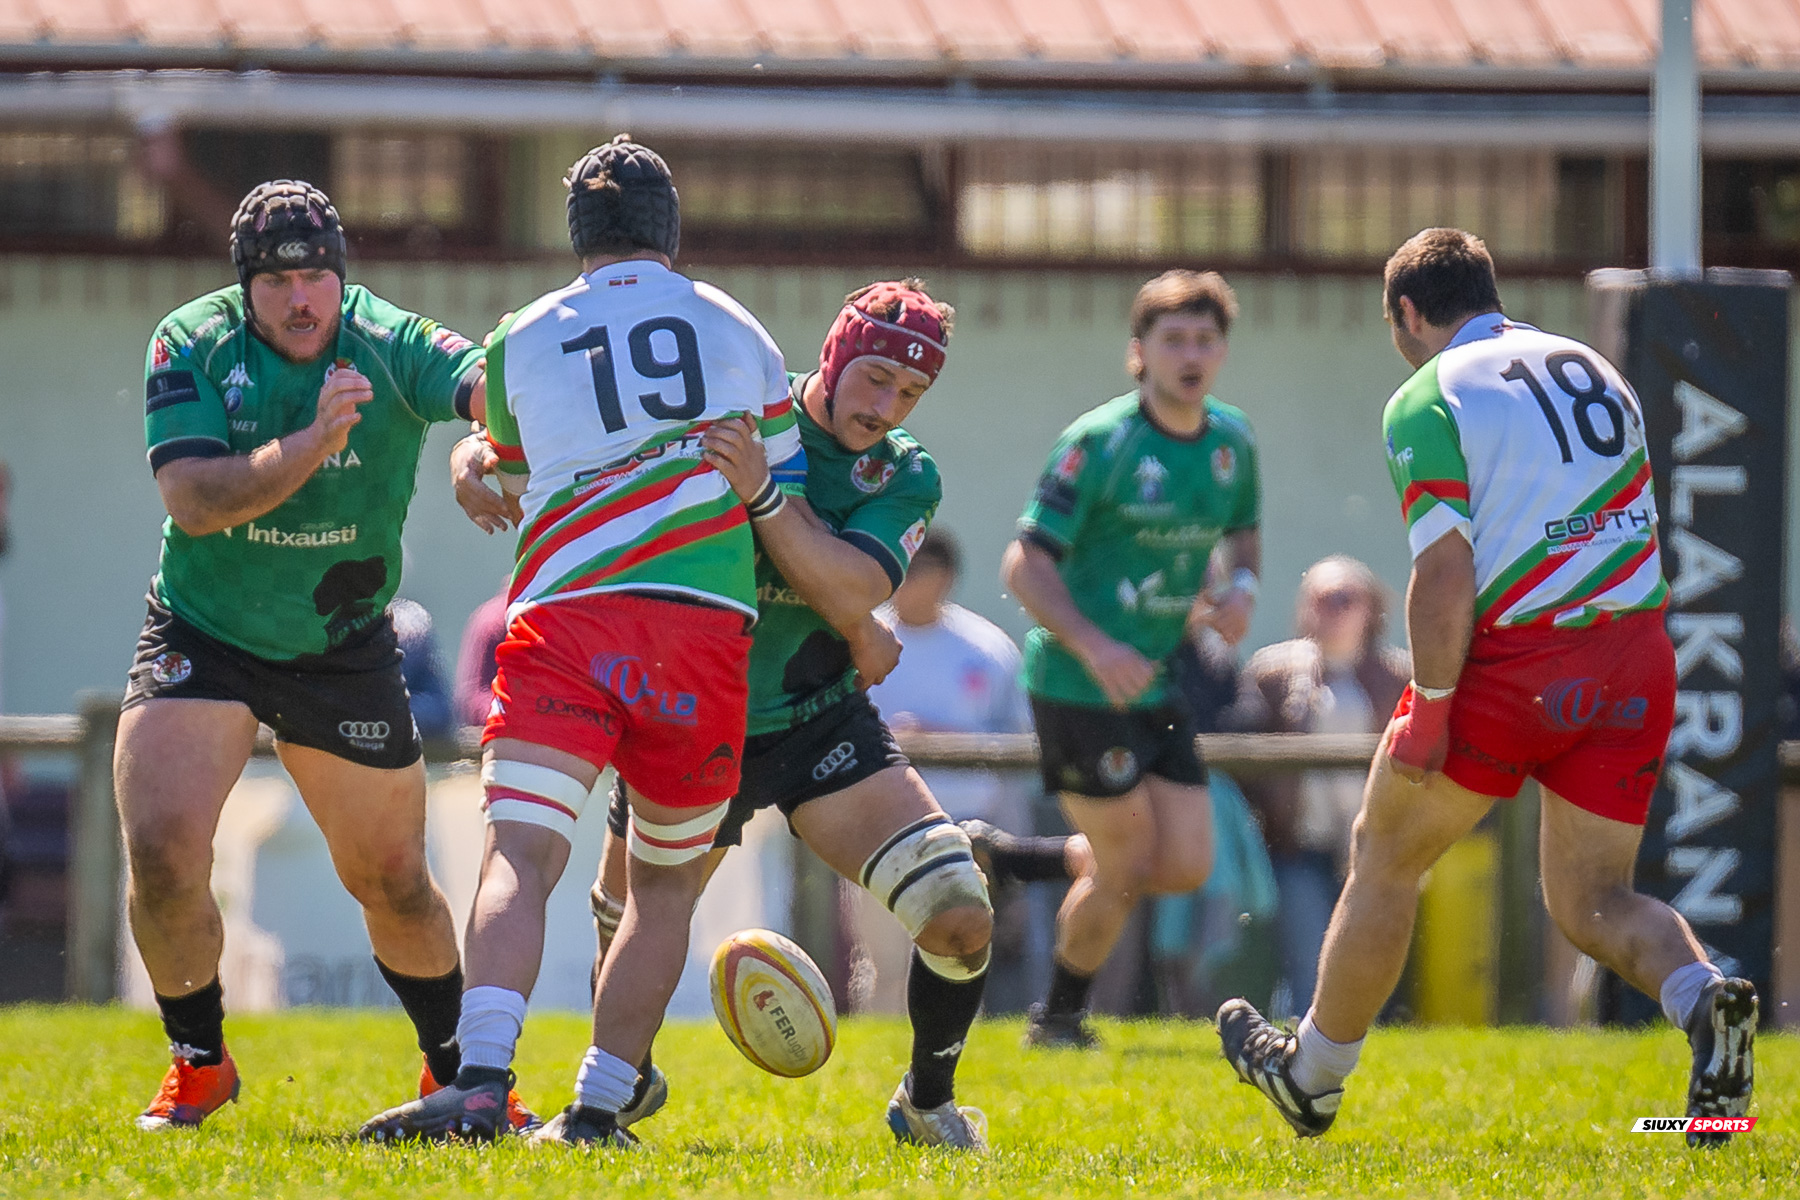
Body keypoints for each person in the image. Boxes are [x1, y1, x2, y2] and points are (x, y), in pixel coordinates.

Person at [1218, 227, 1757, 1149]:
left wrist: (1429, 707)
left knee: (1384, 855)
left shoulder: (1426, 394)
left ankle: (1312, 1076)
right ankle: (1704, 999)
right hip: (1632, 652)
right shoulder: (1590, 361)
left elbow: (1444, 576)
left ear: (1406, 313)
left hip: (1516, 665)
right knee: (1591, 900)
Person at [358, 136, 800, 1147]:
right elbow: (782, 491)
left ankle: (479, 1084)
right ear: (670, 230)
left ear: (578, 236)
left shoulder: (522, 335)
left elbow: (502, 463)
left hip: (569, 613)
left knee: (521, 851)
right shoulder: (735, 324)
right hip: (698, 624)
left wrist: (475, 459)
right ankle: (599, 1105)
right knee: (664, 881)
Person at [117, 180, 530, 1132]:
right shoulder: (190, 342)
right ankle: (199, 1062)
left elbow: (486, 392)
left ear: (343, 278)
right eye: (278, 282)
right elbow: (195, 501)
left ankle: (454, 1075)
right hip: (203, 630)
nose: (302, 300)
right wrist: (310, 442)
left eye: (318, 277)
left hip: (342, 644)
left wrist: (479, 452)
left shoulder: (384, 340)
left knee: (392, 879)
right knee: (162, 852)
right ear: (243, 288)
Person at [568, 281, 996, 1149]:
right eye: (874, 378)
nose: (886, 407)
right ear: (834, 353)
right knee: (624, 924)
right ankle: (613, 1094)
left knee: (958, 909)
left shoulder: (905, 472)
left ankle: (927, 1100)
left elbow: (853, 583)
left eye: (909, 394)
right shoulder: (738, 414)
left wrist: (767, 502)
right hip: (690, 717)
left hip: (816, 720)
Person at [1000, 269, 1261, 1048]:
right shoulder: (1101, 442)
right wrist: (1096, 643)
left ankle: (1022, 860)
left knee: (1182, 864)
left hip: (1157, 679)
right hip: (1077, 682)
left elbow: (1240, 533)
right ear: (1138, 353)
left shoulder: (1231, 442)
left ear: (1221, 352)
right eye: (1172, 338)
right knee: (1124, 865)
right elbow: (1025, 564)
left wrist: (1240, 584)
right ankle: (1058, 1019)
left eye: (1205, 339)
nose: (1191, 353)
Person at [1229, 556, 1408, 1016]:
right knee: (1309, 962)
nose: (1331, 610)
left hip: (1371, 847)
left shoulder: (1400, 678)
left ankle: (1365, 1053)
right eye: (1320, 599)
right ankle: (1305, 1059)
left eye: (1344, 599)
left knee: (1369, 961)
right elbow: (1245, 759)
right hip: (1297, 845)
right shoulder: (1272, 673)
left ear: (1371, 609)